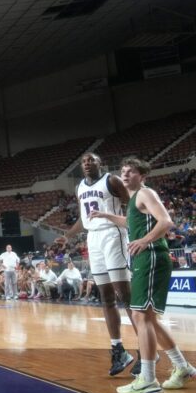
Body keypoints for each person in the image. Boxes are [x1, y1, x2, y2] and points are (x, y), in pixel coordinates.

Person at [90, 158, 196, 393]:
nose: (125, 175)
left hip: (151, 257)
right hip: (144, 260)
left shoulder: (145, 193)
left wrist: (145, 240)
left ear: (142, 176)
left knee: (140, 317)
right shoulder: (134, 201)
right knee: (149, 319)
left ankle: (147, 378)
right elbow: (130, 222)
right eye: (123, 171)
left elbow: (166, 221)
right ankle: (182, 367)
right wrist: (106, 216)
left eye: (131, 172)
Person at [62, 152, 137, 376]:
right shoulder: (79, 187)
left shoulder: (111, 180)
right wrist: (67, 235)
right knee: (106, 297)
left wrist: (132, 227)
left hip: (113, 234)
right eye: (83, 161)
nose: (86, 163)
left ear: (99, 163)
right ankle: (118, 348)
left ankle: (146, 349)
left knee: (125, 295)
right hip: (93, 239)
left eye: (90, 160)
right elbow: (83, 219)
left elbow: (132, 203)